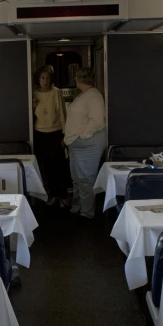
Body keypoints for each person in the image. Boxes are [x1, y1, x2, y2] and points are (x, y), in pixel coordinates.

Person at [62, 67, 106, 219]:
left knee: (86, 179)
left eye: (76, 78)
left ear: (80, 79)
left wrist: (83, 136)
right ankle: (77, 206)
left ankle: (87, 213)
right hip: (76, 144)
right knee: (77, 178)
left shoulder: (93, 96)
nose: (75, 80)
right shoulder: (84, 95)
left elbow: (98, 120)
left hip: (87, 144)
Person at [32, 66, 68, 206]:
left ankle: (63, 195)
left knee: (59, 165)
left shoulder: (56, 92)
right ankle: (53, 195)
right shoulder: (34, 93)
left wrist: (65, 135)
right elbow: (30, 116)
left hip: (56, 133)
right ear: (38, 79)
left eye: (47, 78)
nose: (45, 81)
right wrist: (33, 107)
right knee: (46, 167)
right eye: (42, 78)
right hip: (41, 134)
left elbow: (62, 114)